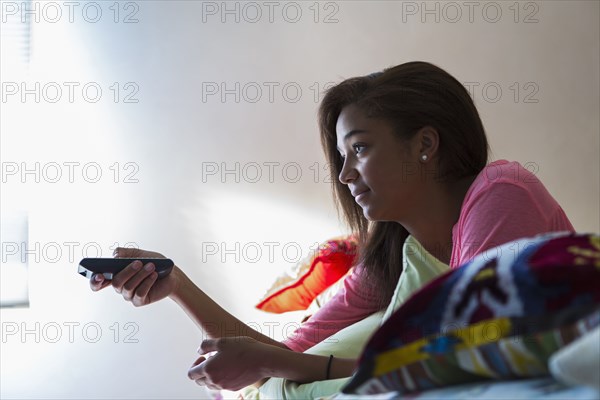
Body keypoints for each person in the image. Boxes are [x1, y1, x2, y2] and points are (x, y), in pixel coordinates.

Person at [90, 61, 574, 392]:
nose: (345, 175)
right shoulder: (392, 255)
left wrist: (275, 363)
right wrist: (176, 284)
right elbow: (281, 352)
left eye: (360, 148)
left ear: (424, 144)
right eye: (342, 156)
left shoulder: (502, 193)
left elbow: (465, 358)